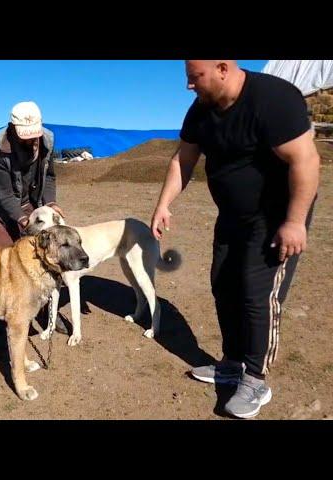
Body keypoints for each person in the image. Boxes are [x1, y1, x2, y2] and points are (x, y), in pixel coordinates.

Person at [150, 60, 320, 418]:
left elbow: (306, 161)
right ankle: (231, 364)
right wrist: (164, 203)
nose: (189, 87)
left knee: (256, 294)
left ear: (223, 68)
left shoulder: (273, 99)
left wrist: (294, 221)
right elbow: (184, 158)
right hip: (233, 215)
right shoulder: (201, 111)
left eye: (194, 78)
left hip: (276, 216)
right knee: (223, 283)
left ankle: (256, 379)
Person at [0, 101, 67, 334]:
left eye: (35, 135)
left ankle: (47, 313)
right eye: (27, 136)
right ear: (13, 128)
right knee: (3, 261)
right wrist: (23, 221)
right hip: (4, 208)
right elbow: (3, 193)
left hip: (35, 203)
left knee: (44, 259)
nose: (33, 140)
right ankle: (2, 319)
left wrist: (50, 203)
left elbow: (49, 176)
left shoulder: (47, 141)